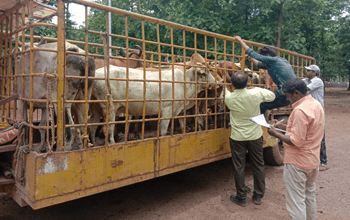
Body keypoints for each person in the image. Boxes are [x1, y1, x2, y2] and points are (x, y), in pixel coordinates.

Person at [268, 78, 325, 220]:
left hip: (298, 164)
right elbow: (307, 131)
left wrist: (276, 134)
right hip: (312, 160)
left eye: (288, 95)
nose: (287, 98)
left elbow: (296, 141)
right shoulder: (315, 105)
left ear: (296, 93)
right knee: (309, 195)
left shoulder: (300, 111)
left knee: (296, 202)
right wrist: (283, 127)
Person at [224, 71, 275, 207]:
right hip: (255, 135)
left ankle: (241, 197)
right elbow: (271, 96)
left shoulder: (229, 98)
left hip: (237, 137)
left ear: (232, 84)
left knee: (238, 166)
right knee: (258, 164)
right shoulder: (256, 92)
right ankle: (258, 195)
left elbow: (225, 90)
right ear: (248, 83)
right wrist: (261, 87)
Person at [233, 36, 296, 115]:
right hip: (289, 93)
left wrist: (240, 41)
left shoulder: (273, 61)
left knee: (260, 104)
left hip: (284, 94)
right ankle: (262, 123)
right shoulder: (279, 61)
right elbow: (259, 64)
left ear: (267, 57)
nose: (262, 61)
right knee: (263, 101)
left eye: (263, 59)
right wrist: (250, 58)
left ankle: (259, 125)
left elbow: (254, 54)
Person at [303, 64, 328, 171]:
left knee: (320, 135)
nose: (306, 71)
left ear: (314, 73)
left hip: (317, 111)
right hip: (309, 110)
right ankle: (313, 159)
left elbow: (304, 89)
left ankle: (323, 161)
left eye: (308, 70)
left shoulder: (317, 81)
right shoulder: (306, 80)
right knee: (310, 134)